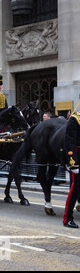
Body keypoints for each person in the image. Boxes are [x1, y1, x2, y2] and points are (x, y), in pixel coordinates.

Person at [63, 95, 80, 228]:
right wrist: (73, 163)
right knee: (75, 189)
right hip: (78, 157)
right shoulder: (75, 119)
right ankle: (67, 218)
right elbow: (69, 143)